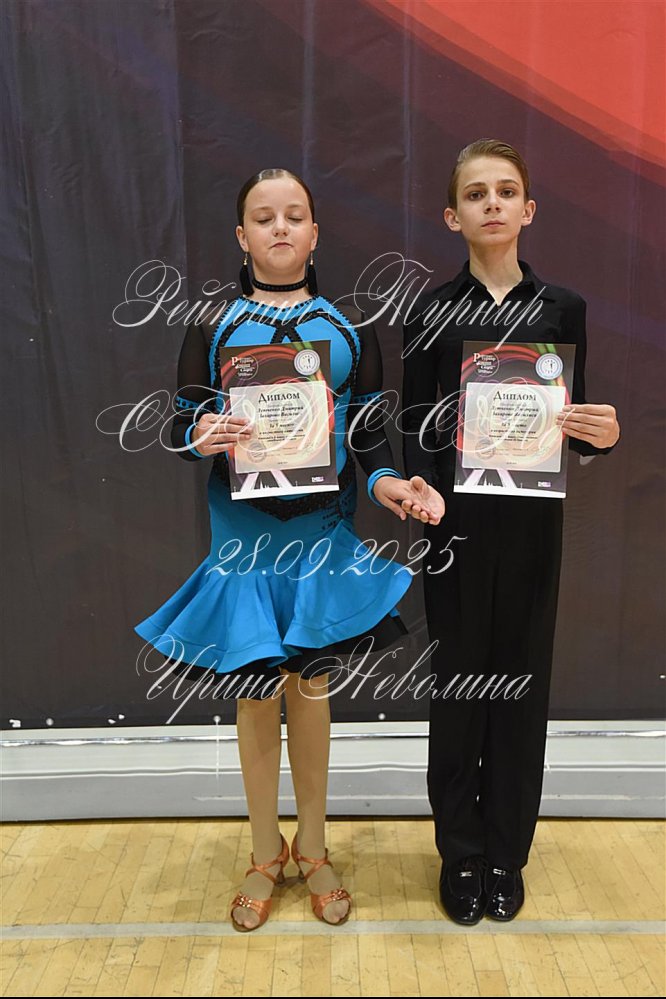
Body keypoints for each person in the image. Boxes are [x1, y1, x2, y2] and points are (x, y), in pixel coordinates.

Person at [135, 168, 441, 932]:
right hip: (243, 544)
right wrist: (197, 433)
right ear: (242, 236)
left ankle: (314, 844)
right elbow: (179, 422)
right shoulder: (211, 325)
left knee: (311, 693)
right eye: (264, 217)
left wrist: (392, 486)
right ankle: (264, 849)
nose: (280, 227)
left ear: (314, 233)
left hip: (318, 539)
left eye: (294, 215)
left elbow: (369, 437)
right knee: (253, 697)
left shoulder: (348, 328)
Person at [400, 139, 620, 924]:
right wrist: (419, 483)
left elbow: (575, 419)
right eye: (475, 193)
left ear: (528, 210)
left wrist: (602, 436)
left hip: (531, 527)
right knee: (461, 688)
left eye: (505, 191)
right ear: (451, 215)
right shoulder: (429, 311)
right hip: (454, 528)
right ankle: (460, 851)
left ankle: (506, 853)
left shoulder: (564, 308)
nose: (491, 203)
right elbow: (415, 422)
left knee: (521, 687)